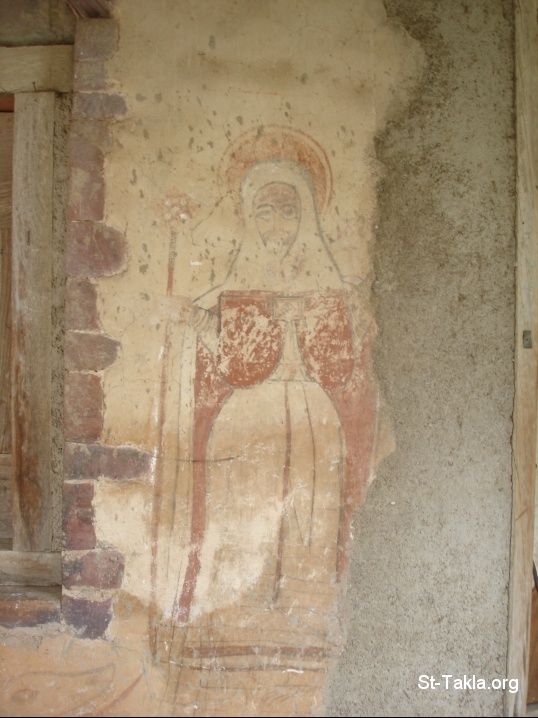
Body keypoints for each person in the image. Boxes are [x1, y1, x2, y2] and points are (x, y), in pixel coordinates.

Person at [153, 157, 377, 677]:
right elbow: (233, 360)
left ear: (307, 216)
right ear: (249, 218)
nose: (278, 224)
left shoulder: (329, 282)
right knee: (242, 503)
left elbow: (340, 362)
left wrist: (344, 315)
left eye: (288, 211)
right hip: (248, 414)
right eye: (265, 212)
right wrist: (195, 318)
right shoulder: (235, 283)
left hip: (314, 414)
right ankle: (236, 614)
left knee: (310, 511)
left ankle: (306, 615)